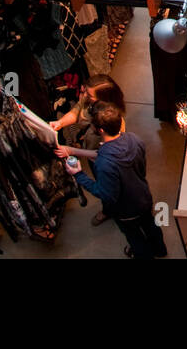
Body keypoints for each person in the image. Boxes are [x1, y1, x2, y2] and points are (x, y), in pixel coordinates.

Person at [59, 103, 166, 258]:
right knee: (151, 226)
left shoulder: (104, 163)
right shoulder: (134, 139)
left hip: (125, 211)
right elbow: (141, 169)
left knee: (135, 237)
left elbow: (106, 195)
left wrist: (79, 174)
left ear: (100, 130)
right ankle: (160, 250)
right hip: (144, 198)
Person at [50, 75, 126, 226]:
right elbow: (77, 110)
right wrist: (60, 123)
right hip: (92, 155)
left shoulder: (114, 122)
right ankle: (108, 209)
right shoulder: (89, 101)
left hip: (104, 162)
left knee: (109, 188)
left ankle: (116, 212)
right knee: (101, 182)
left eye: (89, 95)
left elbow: (104, 155)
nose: (84, 96)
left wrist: (71, 151)